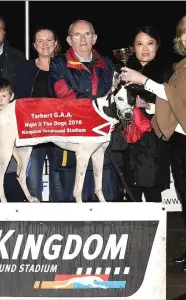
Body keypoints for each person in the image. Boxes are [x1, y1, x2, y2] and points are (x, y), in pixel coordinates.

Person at [120, 13, 186, 296]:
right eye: (184, 33)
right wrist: (151, 107)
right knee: (185, 193)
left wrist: (143, 79)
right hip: (180, 135)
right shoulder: (185, 64)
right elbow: (176, 102)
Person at [48, 19, 123, 202]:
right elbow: (64, 96)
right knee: (73, 208)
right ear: (69, 40)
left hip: (103, 147)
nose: (83, 39)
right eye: (77, 35)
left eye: (87, 34)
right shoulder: (58, 64)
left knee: (106, 202)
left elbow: (115, 99)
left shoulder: (107, 64)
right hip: (72, 146)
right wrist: (100, 105)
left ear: (94, 38)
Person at [122, 26, 173, 203]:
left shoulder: (168, 72)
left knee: (152, 192)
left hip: (153, 139)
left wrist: (148, 105)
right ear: (132, 48)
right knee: (129, 193)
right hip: (127, 140)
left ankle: (158, 232)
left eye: (150, 44)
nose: (145, 49)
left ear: (157, 46)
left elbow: (174, 104)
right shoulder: (123, 71)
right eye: (140, 44)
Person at [14, 27, 61, 202]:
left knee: (59, 183)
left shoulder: (64, 67)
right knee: (33, 184)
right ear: (34, 45)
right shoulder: (25, 68)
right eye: (40, 41)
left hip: (59, 134)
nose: (45, 44)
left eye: (49, 40)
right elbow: (19, 100)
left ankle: (61, 226)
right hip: (33, 134)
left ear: (55, 43)